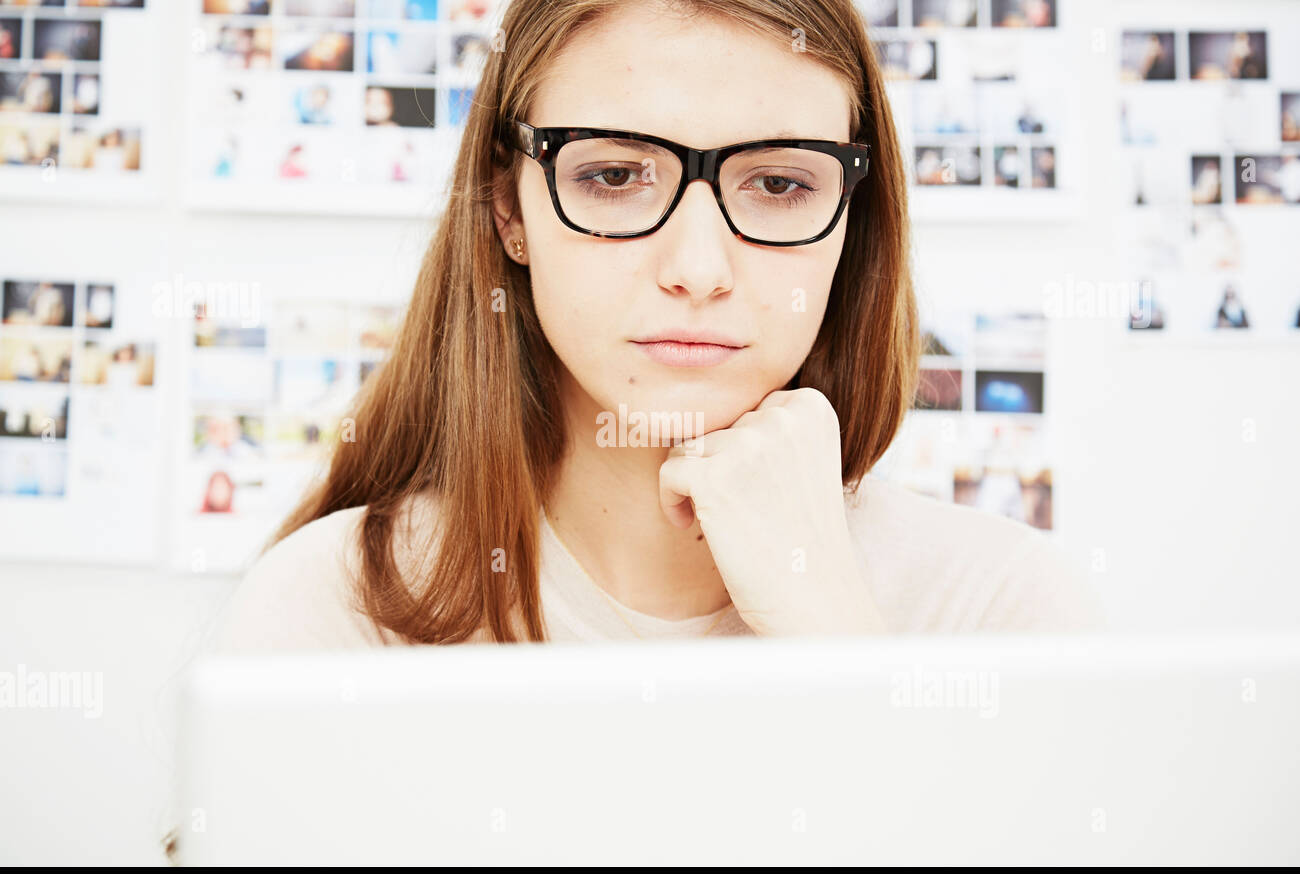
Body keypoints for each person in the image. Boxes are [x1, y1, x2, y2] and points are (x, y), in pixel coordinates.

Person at [211, 0, 1106, 655]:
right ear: (506, 208)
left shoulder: (1003, 610)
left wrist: (832, 633)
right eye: (612, 177)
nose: (700, 269)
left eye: (781, 184)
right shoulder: (332, 613)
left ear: (851, 223)